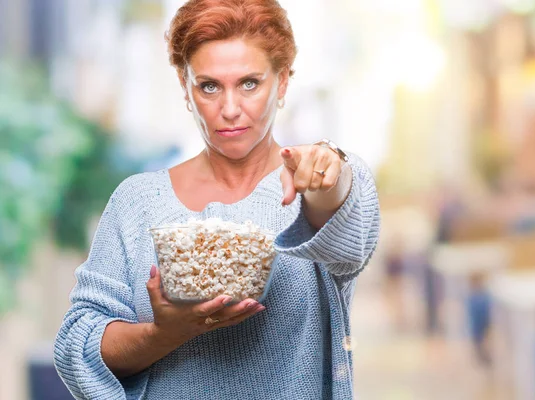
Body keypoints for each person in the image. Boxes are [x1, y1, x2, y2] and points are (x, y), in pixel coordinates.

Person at [53, 1, 380, 399]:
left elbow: (341, 211)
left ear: (282, 84)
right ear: (185, 87)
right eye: (209, 86)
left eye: (249, 84)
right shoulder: (138, 202)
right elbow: (76, 345)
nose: (229, 109)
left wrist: (331, 165)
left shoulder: (311, 186)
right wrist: (163, 334)